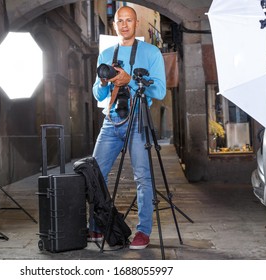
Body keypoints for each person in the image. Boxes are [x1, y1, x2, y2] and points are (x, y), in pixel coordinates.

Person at [91, 6, 166, 250]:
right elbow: (97, 94)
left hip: (137, 120)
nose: (124, 25)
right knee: (94, 175)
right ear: (114, 25)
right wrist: (104, 81)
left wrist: (129, 80)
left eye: (129, 20)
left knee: (143, 177)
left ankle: (143, 231)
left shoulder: (151, 52)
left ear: (136, 23)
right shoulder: (105, 54)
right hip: (111, 120)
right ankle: (97, 224)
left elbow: (160, 91)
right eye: (120, 21)